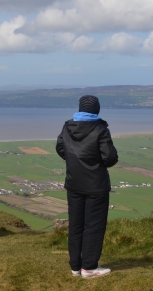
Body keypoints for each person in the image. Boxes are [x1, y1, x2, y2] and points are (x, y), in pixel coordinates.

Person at [56, 95, 118, 279]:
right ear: (96, 109)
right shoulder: (100, 129)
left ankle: (75, 266)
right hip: (96, 185)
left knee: (75, 225)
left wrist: (75, 161)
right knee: (94, 226)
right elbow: (110, 158)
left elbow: (60, 148)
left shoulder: (67, 126)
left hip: (74, 183)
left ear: (80, 108)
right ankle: (89, 267)